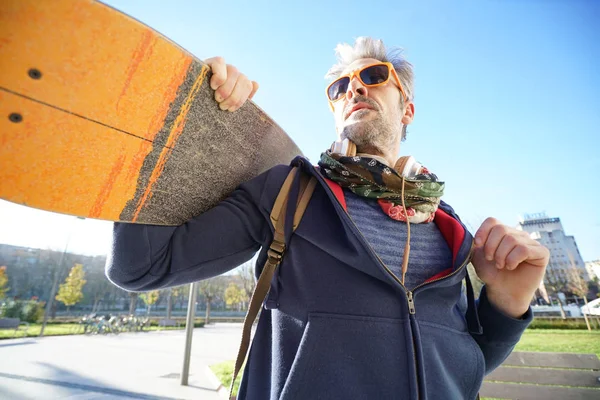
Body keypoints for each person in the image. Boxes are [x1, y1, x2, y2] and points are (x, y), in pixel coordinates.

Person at [106, 37, 549, 399]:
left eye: (374, 77)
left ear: (407, 109)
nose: (353, 89)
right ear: (335, 112)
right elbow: (141, 266)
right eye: (340, 87)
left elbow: (459, 361)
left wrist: (508, 303)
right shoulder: (288, 194)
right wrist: (180, 122)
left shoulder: (452, 233)